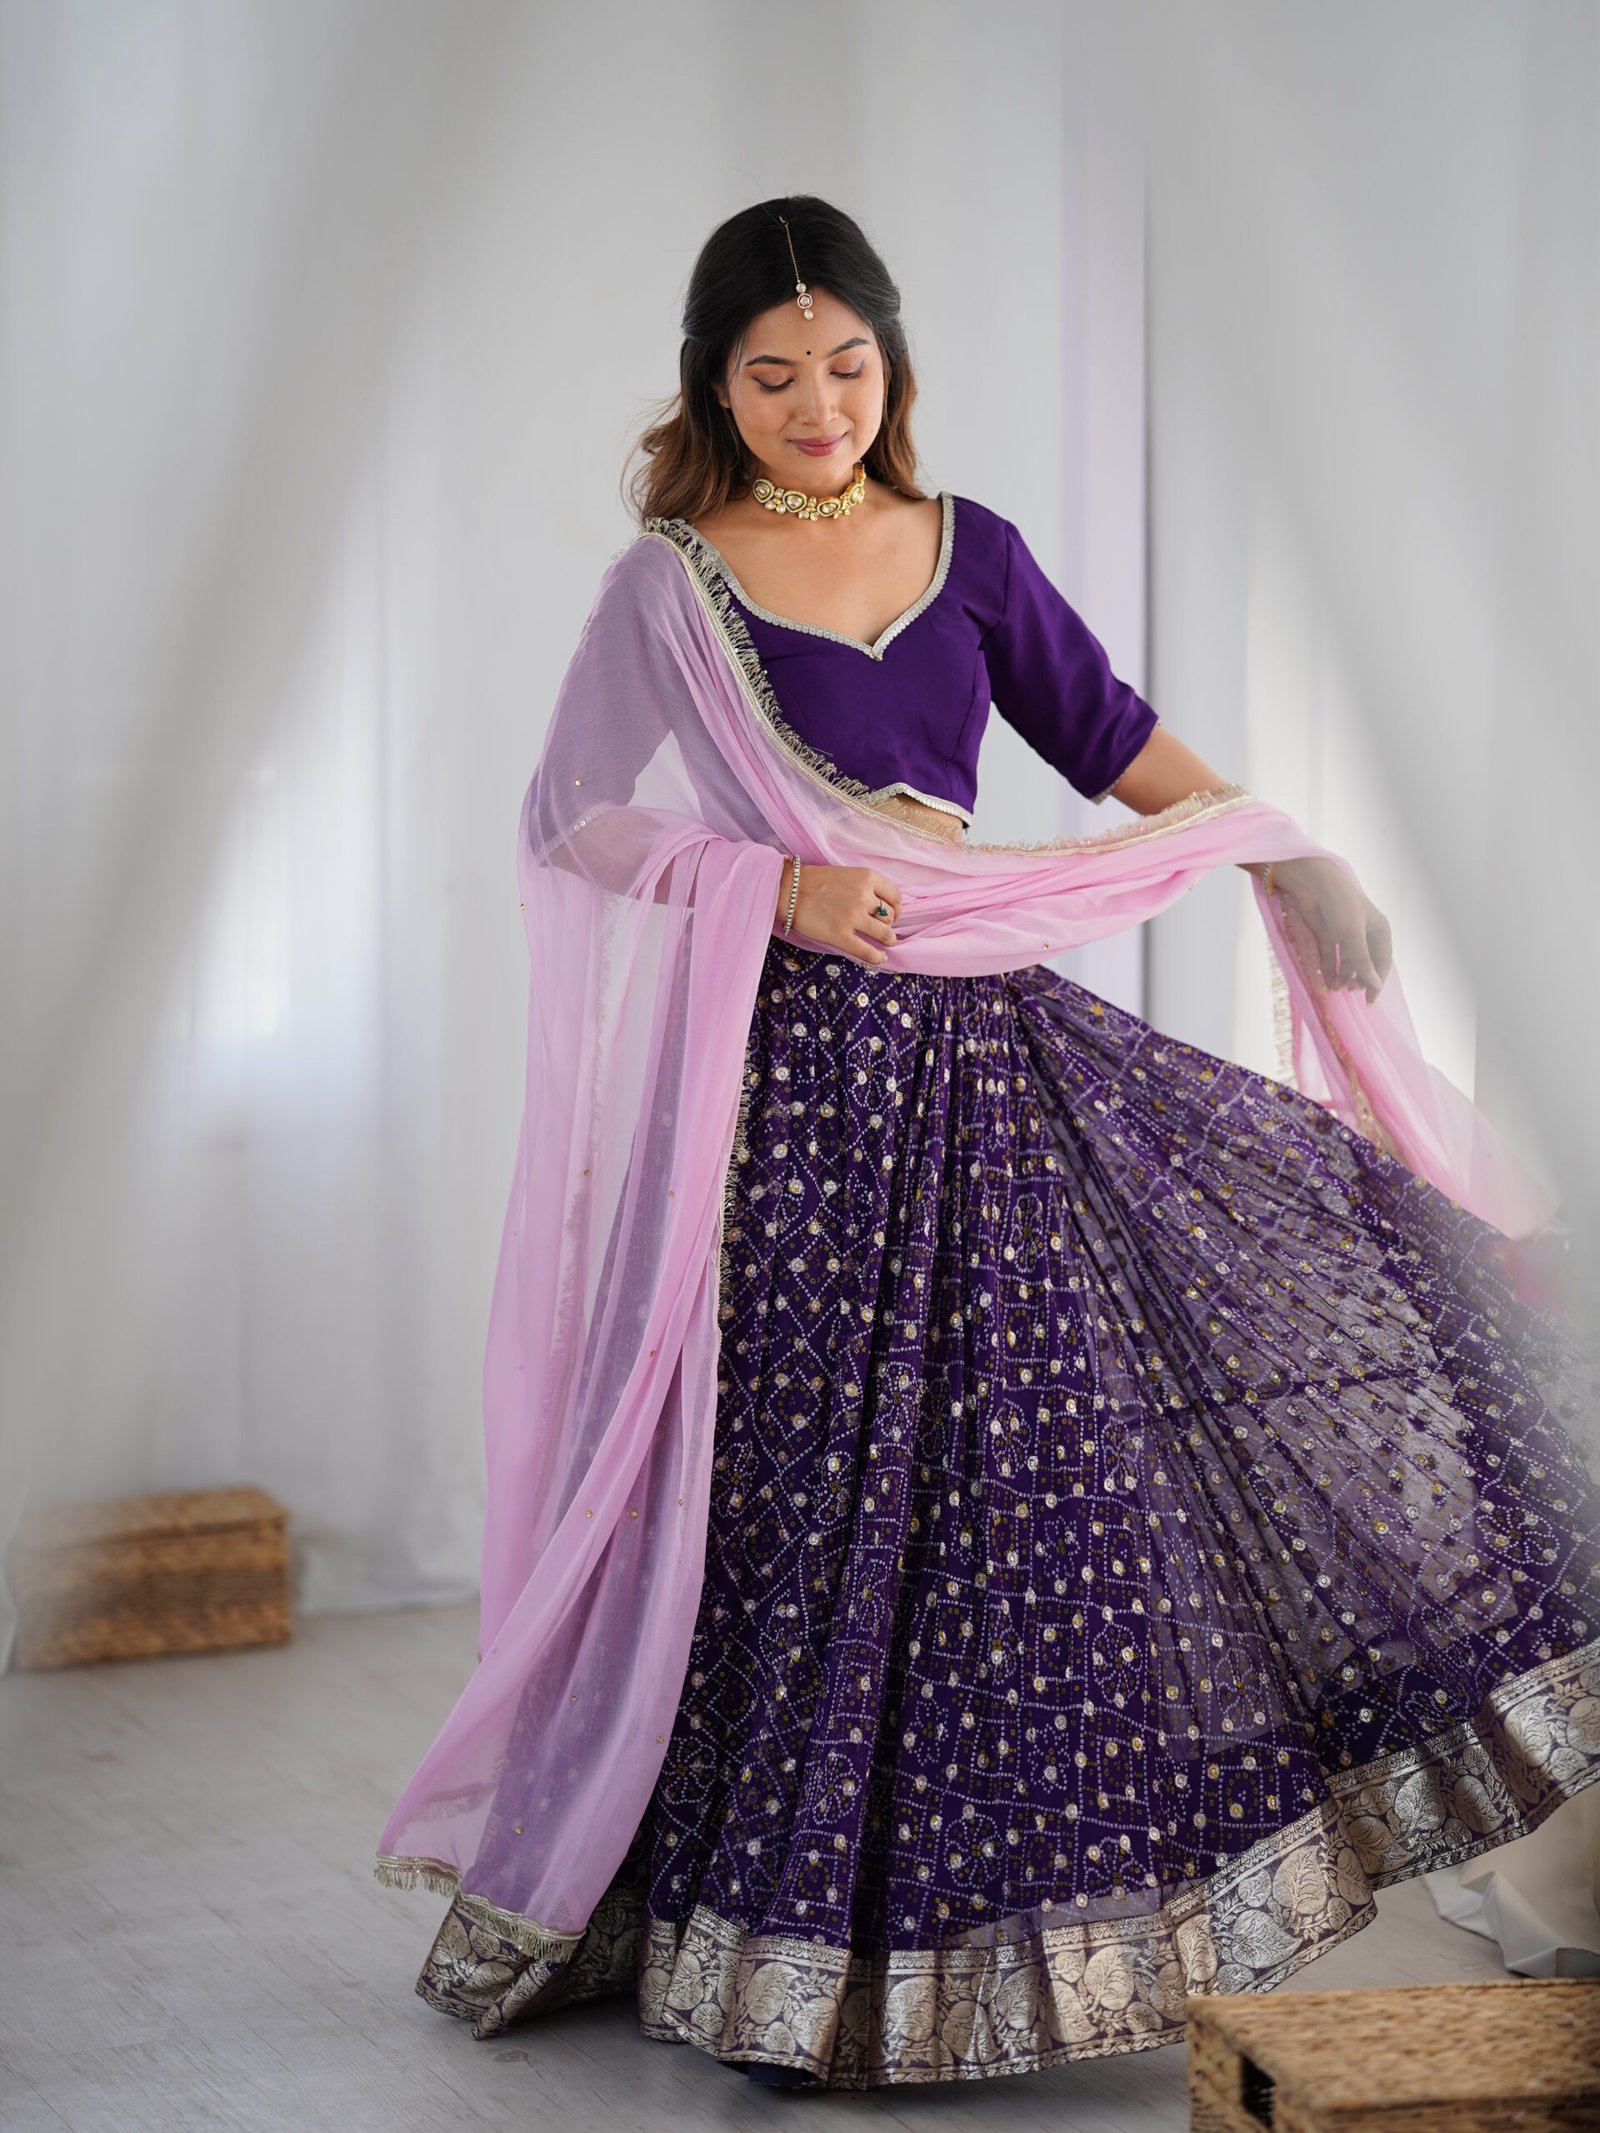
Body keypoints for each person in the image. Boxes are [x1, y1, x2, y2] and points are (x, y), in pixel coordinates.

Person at [377, 196, 1600, 2092]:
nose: (817, 406)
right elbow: (572, 814)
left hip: (987, 1061)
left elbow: (1116, 741)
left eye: (846, 364)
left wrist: (1287, 846)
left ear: (891, 361)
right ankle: (775, 1945)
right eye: (772, 375)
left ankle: (988, 1940)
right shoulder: (670, 588)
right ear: (714, 385)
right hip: (788, 1098)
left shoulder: (972, 551)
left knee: (1023, 1482)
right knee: (805, 1494)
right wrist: (775, 884)